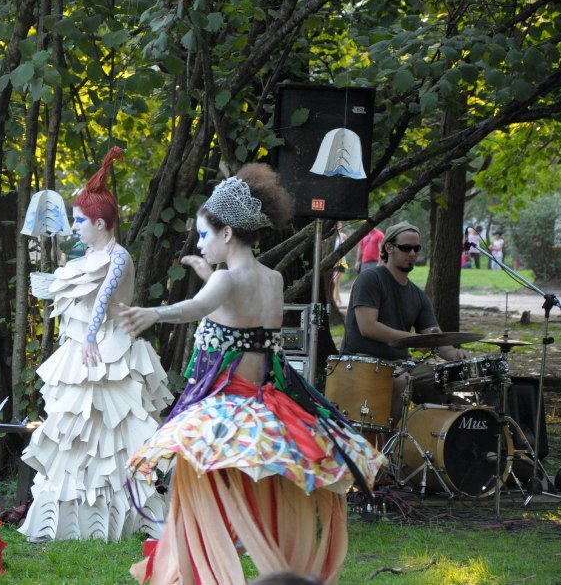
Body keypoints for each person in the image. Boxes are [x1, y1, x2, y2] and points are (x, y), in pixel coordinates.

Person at [120, 165, 386, 585]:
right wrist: (208, 278)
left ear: (227, 234)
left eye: (204, 235)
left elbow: (199, 307)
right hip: (268, 405)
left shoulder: (226, 280)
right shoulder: (273, 279)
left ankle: (201, 575)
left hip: (227, 407)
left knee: (194, 488)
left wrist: (154, 312)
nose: (200, 244)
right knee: (268, 493)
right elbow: (239, 313)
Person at [18, 147, 173, 542]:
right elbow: (81, 293)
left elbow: (105, 298)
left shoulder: (118, 256)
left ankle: (131, 513)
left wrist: (89, 339)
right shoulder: (88, 253)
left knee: (117, 434)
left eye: (79, 221)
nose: (74, 227)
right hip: (84, 350)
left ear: (100, 222)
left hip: (112, 349)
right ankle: (75, 517)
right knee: (77, 435)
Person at [340, 222, 469, 423]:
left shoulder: (418, 295)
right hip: (362, 362)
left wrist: (455, 355)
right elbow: (368, 327)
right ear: (389, 248)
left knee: (442, 382)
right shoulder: (370, 279)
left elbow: (434, 338)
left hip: (400, 365)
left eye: (416, 248)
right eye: (405, 248)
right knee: (402, 380)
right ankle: (390, 441)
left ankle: (428, 441)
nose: (412, 253)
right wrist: (414, 339)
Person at [331, 221, 348, 307]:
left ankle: (336, 299)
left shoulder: (343, 236)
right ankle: (338, 300)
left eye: (340, 225)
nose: (339, 226)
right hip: (332, 262)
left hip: (341, 261)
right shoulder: (331, 236)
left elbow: (345, 249)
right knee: (335, 282)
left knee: (335, 281)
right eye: (338, 224)